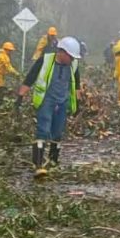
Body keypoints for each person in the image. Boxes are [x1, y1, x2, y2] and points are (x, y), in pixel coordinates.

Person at [17, 36, 83, 177]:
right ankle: (38, 165)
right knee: (43, 130)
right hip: (46, 100)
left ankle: (53, 161)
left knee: (58, 132)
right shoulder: (45, 60)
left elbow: (76, 85)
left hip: (62, 101)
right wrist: (20, 97)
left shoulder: (73, 64)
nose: (72, 60)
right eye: (70, 57)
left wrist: (78, 104)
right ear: (62, 52)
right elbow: (30, 78)